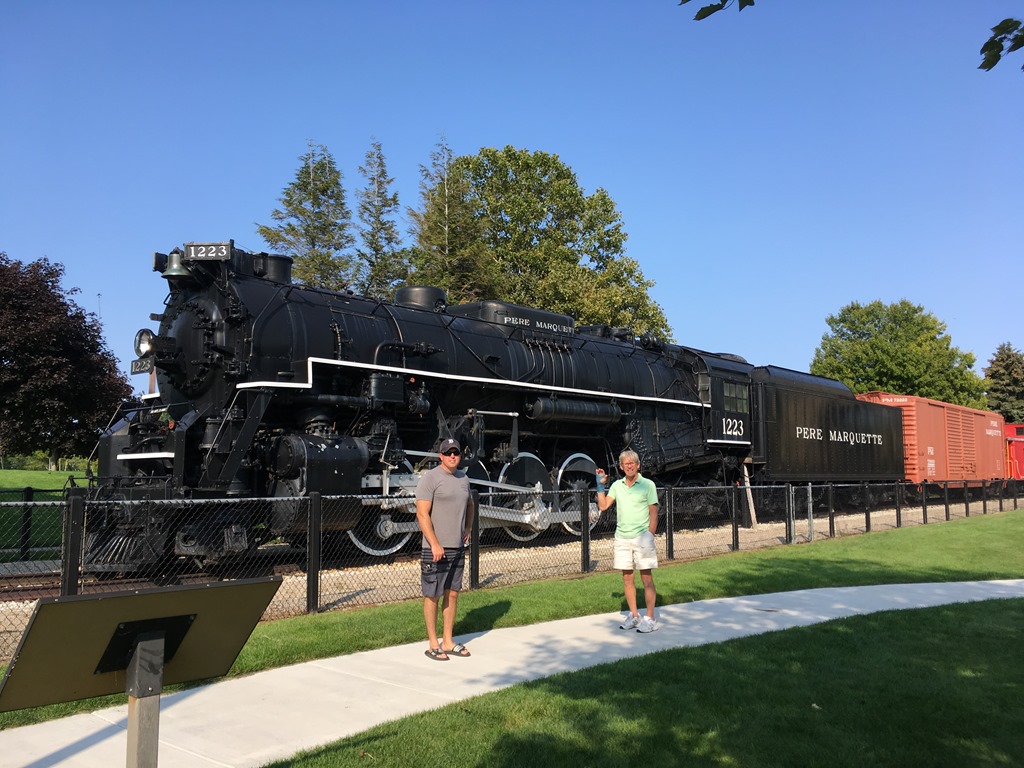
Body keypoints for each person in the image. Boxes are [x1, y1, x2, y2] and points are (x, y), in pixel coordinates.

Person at [415, 437, 475, 660]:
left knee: (453, 593)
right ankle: (433, 643)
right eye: (448, 452)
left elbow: (470, 504)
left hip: (457, 547)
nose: (452, 456)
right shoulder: (430, 478)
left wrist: (468, 527)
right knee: (432, 595)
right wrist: (434, 543)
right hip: (435, 549)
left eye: (456, 452)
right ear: (440, 455)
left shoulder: (464, 479)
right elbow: (422, 514)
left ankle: (448, 641)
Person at [595, 449, 660, 632]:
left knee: (646, 578)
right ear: (621, 467)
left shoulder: (648, 485)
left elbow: (653, 512)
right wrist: (600, 486)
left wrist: (650, 534)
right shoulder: (617, 486)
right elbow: (603, 506)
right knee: (627, 578)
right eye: (626, 464)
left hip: (642, 537)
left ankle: (650, 618)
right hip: (622, 537)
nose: (629, 466)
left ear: (638, 465)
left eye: (632, 463)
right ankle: (634, 615)